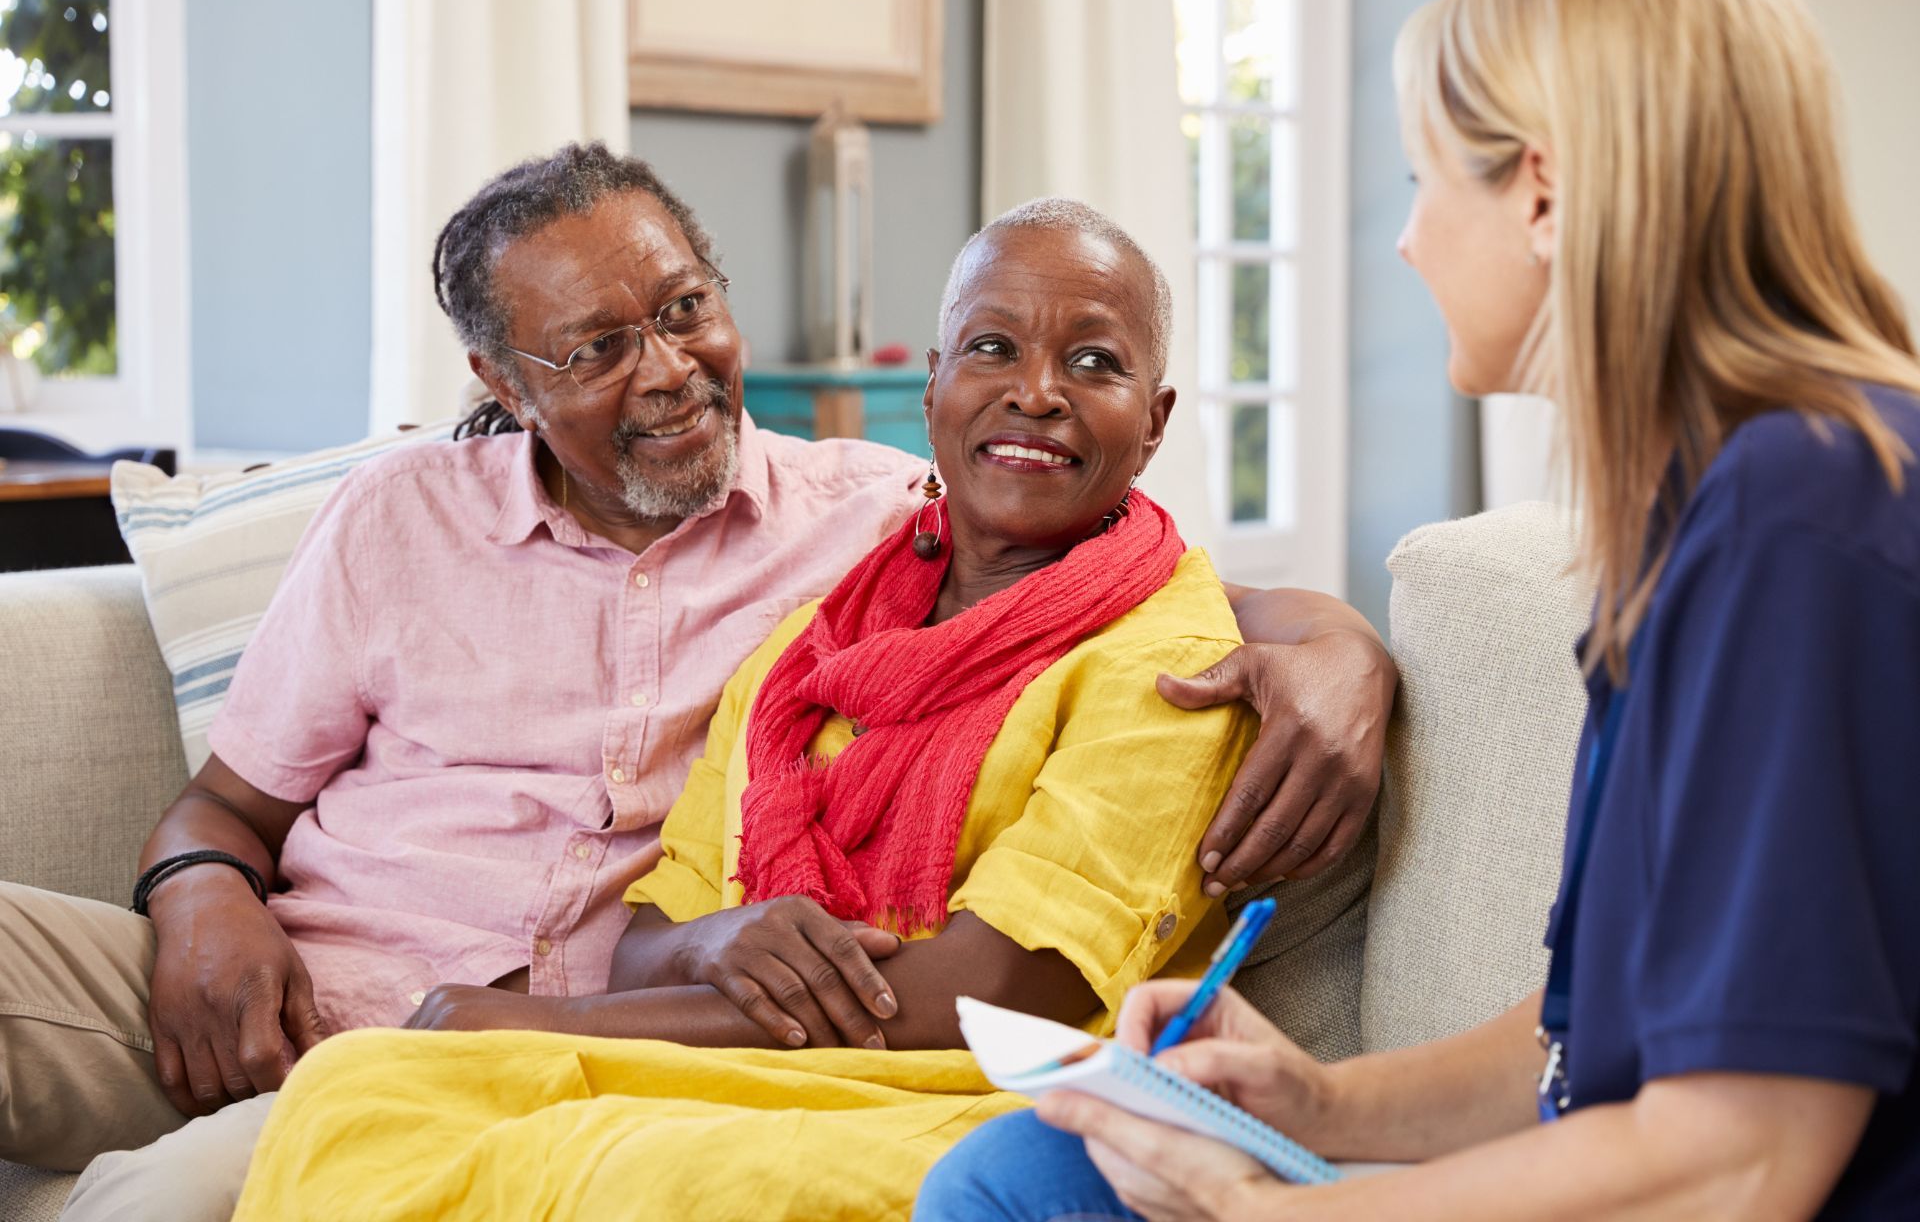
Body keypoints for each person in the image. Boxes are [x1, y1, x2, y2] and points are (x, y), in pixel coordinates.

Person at [23, 147, 1394, 1219]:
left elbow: (1123, 581)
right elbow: (225, 808)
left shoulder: (874, 525)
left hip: (525, 1042)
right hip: (291, 979)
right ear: (499, 378)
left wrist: (1343, 646)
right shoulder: (403, 522)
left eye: (686, 310)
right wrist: (202, 901)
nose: (671, 370)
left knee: (165, 1200)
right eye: (596, 348)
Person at [918, 0, 1920, 1218]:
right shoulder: (1701, 520)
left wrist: (1269, 1211)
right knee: (1029, 1167)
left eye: (1421, 177)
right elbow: (1579, 1043)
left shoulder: (1807, 515)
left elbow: (1741, 1157)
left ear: (1543, 194)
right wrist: (1312, 1097)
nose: (1403, 240)